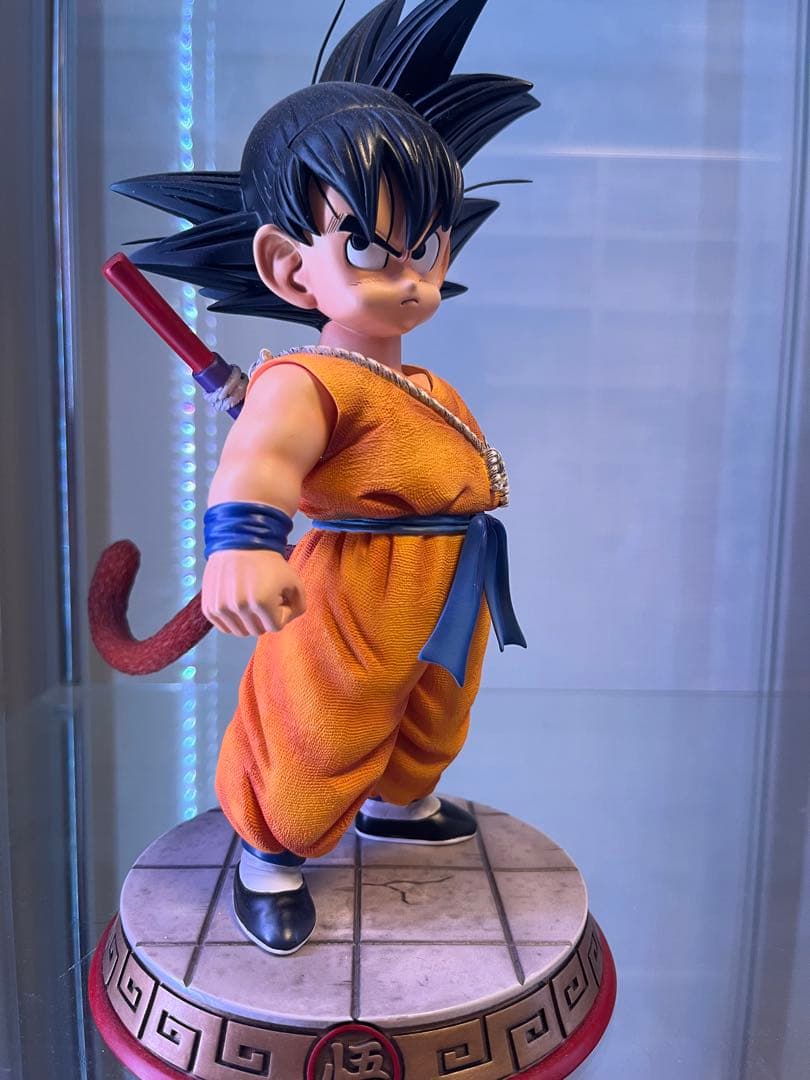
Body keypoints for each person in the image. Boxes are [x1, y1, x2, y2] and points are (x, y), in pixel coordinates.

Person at [112, 0, 537, 954]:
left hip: (445, 579)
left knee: (433, 710)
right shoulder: (305, 380)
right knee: (325, 722)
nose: (412, 277)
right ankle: (269, 851)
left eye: (426, 248)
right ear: (288, 265)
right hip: (349, 588)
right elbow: (261, 458)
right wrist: (243, 545)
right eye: (370, 250)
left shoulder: (416, 381)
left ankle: (401, 801)